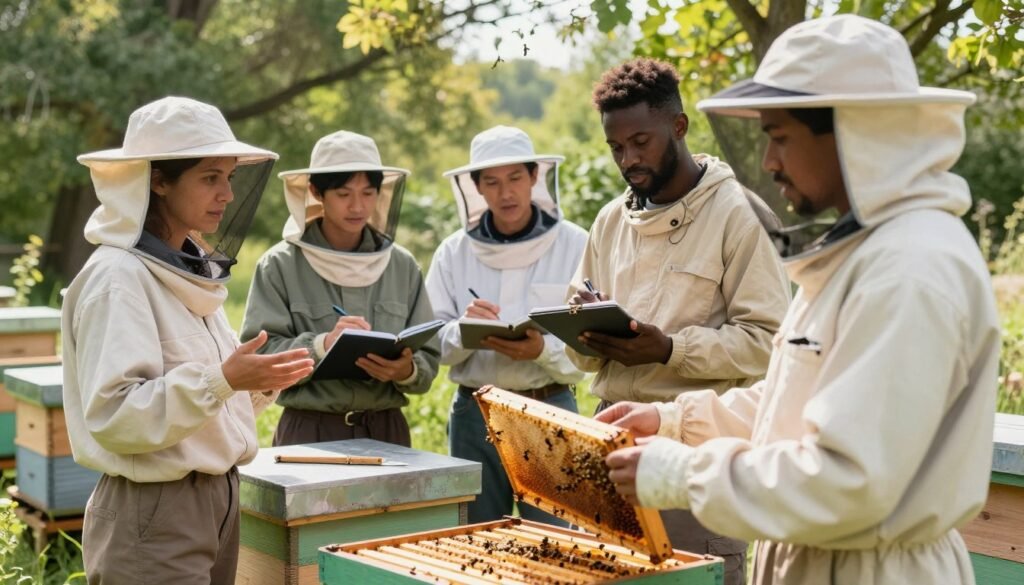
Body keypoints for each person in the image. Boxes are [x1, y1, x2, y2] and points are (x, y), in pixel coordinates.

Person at [600, 15, 999, 585]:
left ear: (855, 133)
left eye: (780, 137)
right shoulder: (868, 254)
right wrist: (672, 419)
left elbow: (849, 480)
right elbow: (797, 403)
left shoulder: (909, 269)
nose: (768, 162)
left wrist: (685, 474)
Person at [62, 96, 314, 584]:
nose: (226, 194)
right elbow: (115, 416)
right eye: (209, 177)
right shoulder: (119, 278)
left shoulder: (184, 269)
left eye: (229, 177)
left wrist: (253, 382)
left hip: (216, 499)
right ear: (158, 180)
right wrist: (222, 380)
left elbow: (199, 400)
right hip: (155, 509)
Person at [565, 57, 792, 583]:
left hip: (696, 454)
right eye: (617, 147)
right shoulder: (608, 220)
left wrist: (669, 349)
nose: (629, 158)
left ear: (679, 126)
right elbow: (578, 345)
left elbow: (768, 344)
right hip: (610, 443)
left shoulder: (741, 214)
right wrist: (583, 330)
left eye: (641, 141)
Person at [425, 125, 588, 525]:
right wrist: (465, 329)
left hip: (549, 406)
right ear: (477, 187)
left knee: (556, 544)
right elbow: (431, 343)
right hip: (475, 411)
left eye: (516, 178)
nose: (506, 192)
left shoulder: (575, 244)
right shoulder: (453, 252)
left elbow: (590, 346)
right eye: (492, 182)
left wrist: (542, 350)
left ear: (535, 176)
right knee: (479, 539)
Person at [241, 130, 440, 447]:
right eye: (344, 194)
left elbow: (428, 361)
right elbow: (260, 357)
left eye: (368, 193)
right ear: (316, 192)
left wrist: (405, 370)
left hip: (387, 431)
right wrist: (320, 345)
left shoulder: (403, 266)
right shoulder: (279, 265)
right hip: (308, 431)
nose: (358, 206)